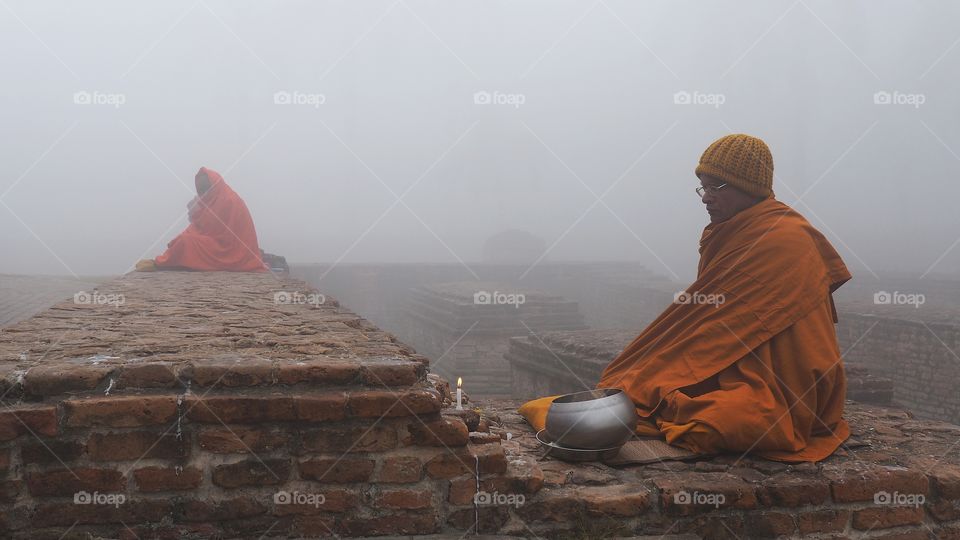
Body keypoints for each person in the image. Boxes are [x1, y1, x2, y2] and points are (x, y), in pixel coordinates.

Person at [520, 134, 852, 462]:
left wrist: (674, 362)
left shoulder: (785, 239)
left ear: (749, 187)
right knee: (632, 381)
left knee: (724, 419)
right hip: (736, 361)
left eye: (716, 188)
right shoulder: (728, 231)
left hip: (789, 381)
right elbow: (715, 317)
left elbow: (733, 323)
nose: (706, 198)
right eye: (703, 187)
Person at [137, 167, 266, 272]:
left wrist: (196, 213)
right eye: (201, 190)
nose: (203, 193)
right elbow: (202, 228)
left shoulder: (227, 200)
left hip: (231, 250)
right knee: (183, 240)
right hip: (222, 245)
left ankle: (160, 264)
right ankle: (169, 260)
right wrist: (196, 213)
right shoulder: (215, 199)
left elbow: (214, 231)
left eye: (205, 189)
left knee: (185, 242)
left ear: (214, 185)